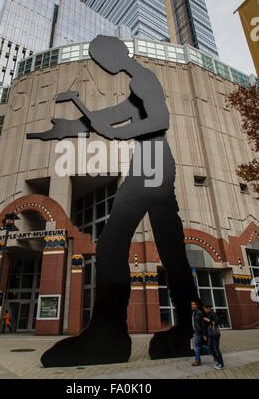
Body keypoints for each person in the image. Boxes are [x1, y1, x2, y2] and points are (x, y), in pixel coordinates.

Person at [27, 35, 200, 367]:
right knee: (169, 246)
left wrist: (122, 133)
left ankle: (110, 331)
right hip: (151, 159)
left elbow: (159, 121)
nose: (103, 62)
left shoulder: (145, 78)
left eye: (103, 55)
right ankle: (189, 327)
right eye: (98, 57)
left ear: (119, 53)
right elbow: (114, 113)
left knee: (115, 242)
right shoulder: (138, 86)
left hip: (153, 160)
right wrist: (69, 126)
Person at [203, 304, 224, 370]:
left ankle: (221, 364)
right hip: (210, 334)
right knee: (209, 348)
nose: (204, 310)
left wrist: (208, 320)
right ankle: (218, 361)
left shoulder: (213, 314)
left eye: (205, 309)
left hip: (215, 334)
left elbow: (217, 322)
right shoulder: (208, 314)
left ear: (208, 308)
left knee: (216, 349)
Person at [191, 301, 207, 366]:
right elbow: (194, 323)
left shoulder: (199, 313)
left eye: (193, 304)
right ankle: (213, 353)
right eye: (191, 304)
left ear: (197, 305)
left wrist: (204, 334)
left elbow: (202, 324)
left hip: (199, 332)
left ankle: (197, 361)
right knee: (200, 345)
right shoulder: (193, 312)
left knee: (196, 346)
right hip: (196, 331)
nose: (192, 305)